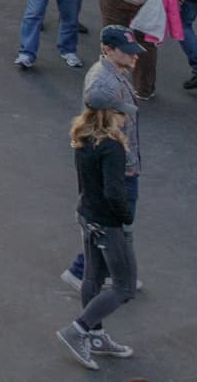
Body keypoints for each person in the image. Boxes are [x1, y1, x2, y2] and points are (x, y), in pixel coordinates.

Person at [56, 105, 140, 369]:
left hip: (88, 216)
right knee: (124, 286)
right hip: (108, 223)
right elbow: (114, 192)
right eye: (124, 114)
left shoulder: (83, 137)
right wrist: (126, 217)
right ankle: (78, 330)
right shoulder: (112, 147)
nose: (127, 120)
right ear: (110, 114)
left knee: (92, 278)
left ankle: (95, 335)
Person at [64, 27, 145, 292]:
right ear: (107, 50)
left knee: (112, 225)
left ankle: (101, 271)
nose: (134, 57)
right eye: (127, 51)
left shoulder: (116, 73)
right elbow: (95, 99)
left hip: (122, 159)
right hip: (118, 163)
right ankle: (85, 270)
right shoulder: (104, 82)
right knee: (114, 224)